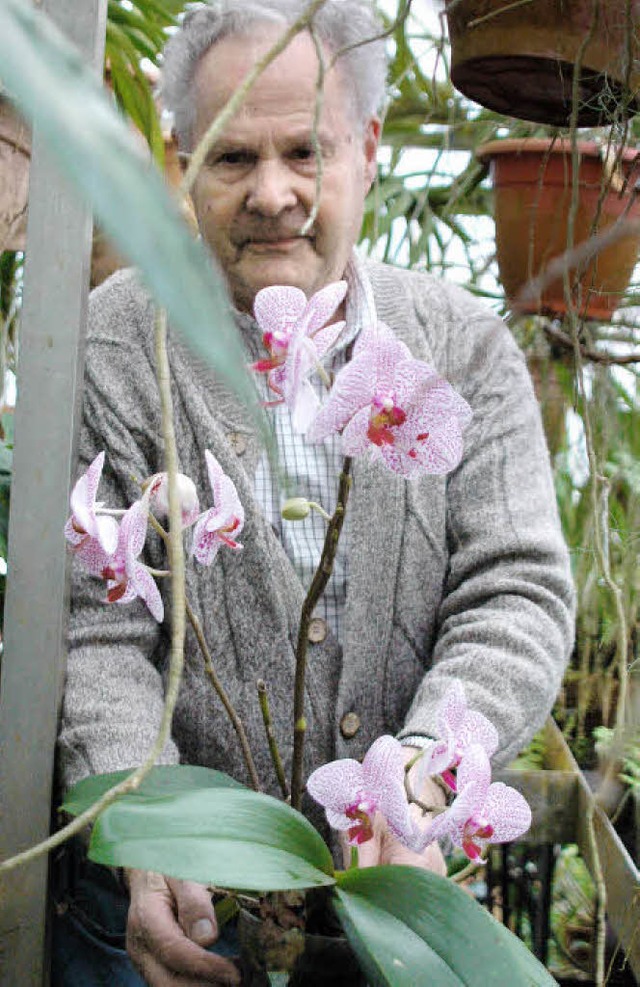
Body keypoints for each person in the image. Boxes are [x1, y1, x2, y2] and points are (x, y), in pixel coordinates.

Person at [54, 1, 575, 984]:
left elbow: (517, 592)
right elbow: (99, 628)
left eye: (305, 150)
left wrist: (416, 780)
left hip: (387, 892)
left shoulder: (457, 343)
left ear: (368, 148)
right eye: (232, 158)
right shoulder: (115, 344)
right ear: (181, 161)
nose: (272, 193)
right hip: (172, 896)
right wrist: (149, 821)